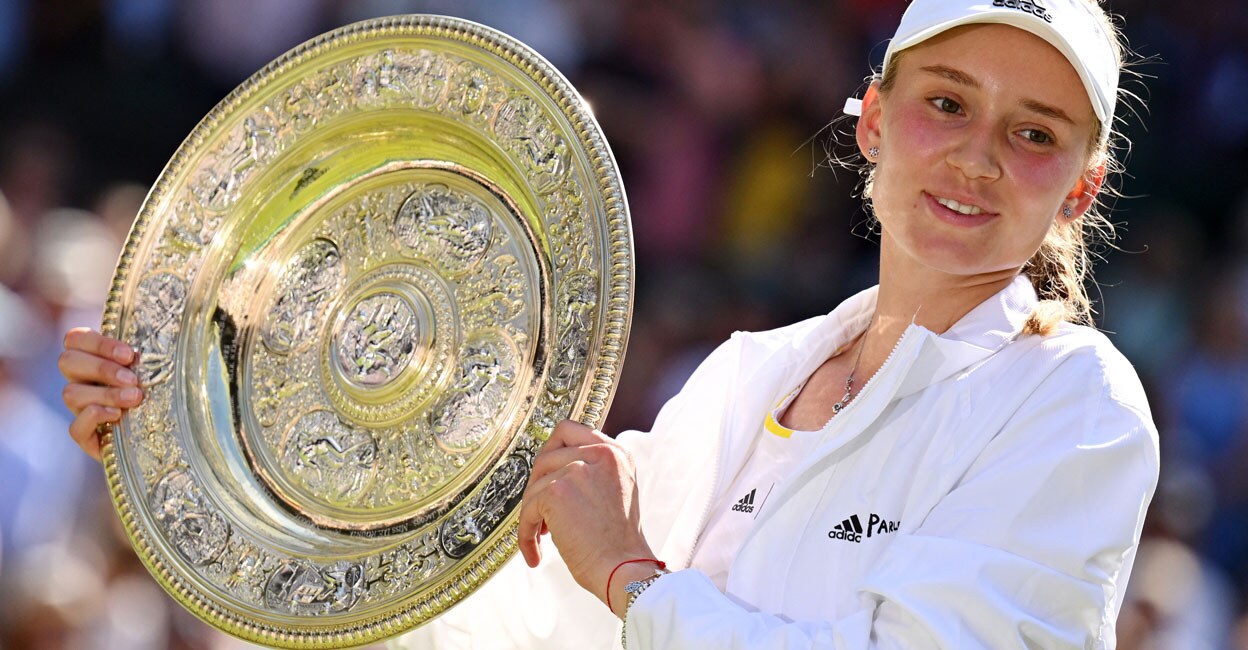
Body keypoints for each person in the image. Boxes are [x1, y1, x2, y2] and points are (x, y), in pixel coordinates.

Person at [59, 0, 1159, 647]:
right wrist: (198, 442)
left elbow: (616, 593)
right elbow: (488, 622)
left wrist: (634, 577)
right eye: (947, 103)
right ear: (872, 122)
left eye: (1033, 133)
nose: (974, 155)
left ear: (1080, 188)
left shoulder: (1076, 406)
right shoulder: (747, 375)